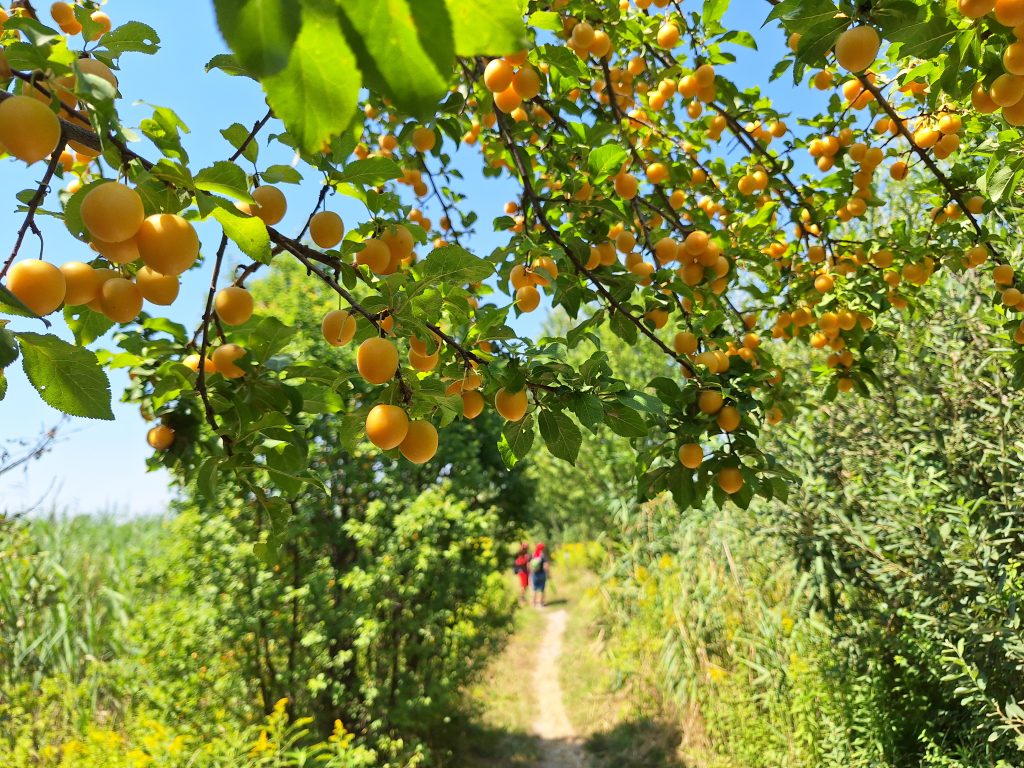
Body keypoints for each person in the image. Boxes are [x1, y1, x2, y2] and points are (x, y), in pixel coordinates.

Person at [529, 542, 550, 607]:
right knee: (541, 589)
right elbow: (546, 566)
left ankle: (534, 603)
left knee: (534, 589)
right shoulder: (542, 555)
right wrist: (548, 574)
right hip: (541, 574)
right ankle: (541, 603)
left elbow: (529, 564)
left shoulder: (533, 554)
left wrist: (531, 572)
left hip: (534, 574)